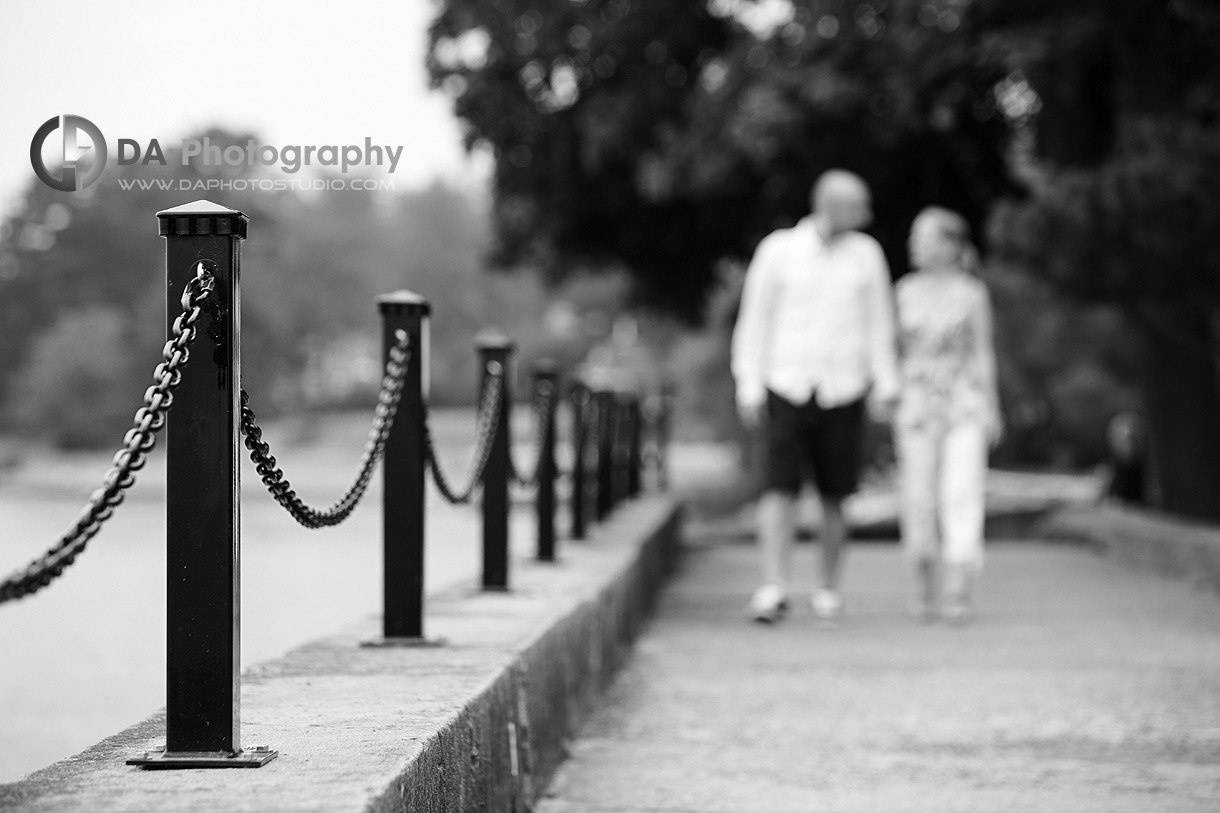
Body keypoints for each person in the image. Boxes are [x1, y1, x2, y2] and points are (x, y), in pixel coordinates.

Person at [731, 170, 899, 624]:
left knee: (835, 492)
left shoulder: (867, 255)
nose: (866, 216)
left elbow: (879, 323)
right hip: (786, 382)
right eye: (858, 206)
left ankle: (827, 588)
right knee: (777, 486)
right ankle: (773, 586)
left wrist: (886, 383)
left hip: (844, 387)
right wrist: (748, 384)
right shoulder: (778, 251)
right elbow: (754, 322)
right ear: (831, 204)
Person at [894, 207, 1002, 624]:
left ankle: (959, 588)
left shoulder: (972, 293)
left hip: (963, 401)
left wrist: (992, 405)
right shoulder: (902, 291)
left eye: (924, 237)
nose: (915, 245)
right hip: (917, 403)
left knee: (962, 492)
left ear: (950, 245)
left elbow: (982, 351)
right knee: (918, 495)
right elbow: (892, 350)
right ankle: (923, 586)